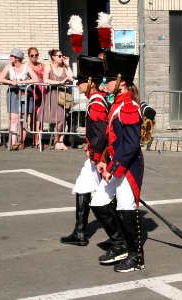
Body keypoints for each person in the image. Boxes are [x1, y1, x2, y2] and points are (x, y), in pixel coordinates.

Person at [92, 51, 146, 273]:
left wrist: (114, 169)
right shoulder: (117, 105)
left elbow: (132, 145)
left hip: (129, 167)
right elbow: (114, 141)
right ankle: (120, 245)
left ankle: (137, 257)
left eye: (110, 79)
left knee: (125, 209)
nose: (106, 82)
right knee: (98, 202)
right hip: (116, 165)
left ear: (121, 82)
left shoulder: (129, 107)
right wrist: (105, 161)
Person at [60, 55, 110, 246]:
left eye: (81, 82)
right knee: (83, 187)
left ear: (89, 82)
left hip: (99, 158)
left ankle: (117, 238)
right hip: (96, 157)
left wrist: (97, 158)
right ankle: (80, 232)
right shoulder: (98, 99)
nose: (79, 86)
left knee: (107, 197)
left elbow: (100, 136)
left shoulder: (96, 103)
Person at [0, 48, 39, 150]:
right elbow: (0, 78)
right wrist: (11, 82)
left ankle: (21, 142)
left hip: (25, 93)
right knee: (13, 119)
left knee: (23, 120)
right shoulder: (9, 66)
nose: (10, 58)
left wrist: (22, 82)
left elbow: (36, 79)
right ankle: (13, 143)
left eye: (12, 56)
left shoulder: (26, 67)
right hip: (13, 93)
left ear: (17, 58)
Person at [39, 49, 74, 150]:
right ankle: (57, 141)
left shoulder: (64, 68)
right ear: (53, 57)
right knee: (59, 120)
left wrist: (67, 65)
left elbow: (71, 78)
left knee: (63, 120)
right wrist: (59, 83)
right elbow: (45, 80)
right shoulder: (48, 67)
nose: (61, 57)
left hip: (64, 95)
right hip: (53, 95)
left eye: (62, 55)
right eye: (59, 56)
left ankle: (60, 141)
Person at [27, 47, 46, 148]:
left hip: (43, 93)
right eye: (32, 55)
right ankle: (34, 139)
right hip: (32, 94)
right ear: (29, 56)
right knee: (33, 117)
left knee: (40, 117)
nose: (34, 57)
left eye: (36, 55)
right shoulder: (27, 66)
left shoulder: (43, 65)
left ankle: (38, 139)